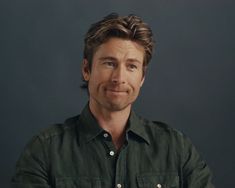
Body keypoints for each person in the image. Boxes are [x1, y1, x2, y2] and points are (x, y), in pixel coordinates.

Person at [11, 13, 214, 188]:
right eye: (109, 63)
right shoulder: (45, 151)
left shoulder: (176, 148)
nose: (119, 78)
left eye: (131, 66)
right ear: (86, 70)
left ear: (142, 77)